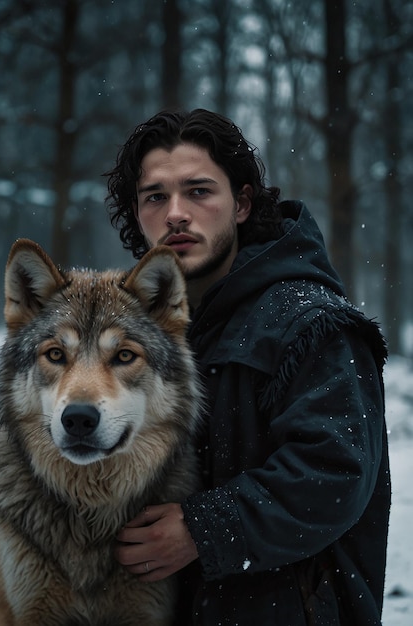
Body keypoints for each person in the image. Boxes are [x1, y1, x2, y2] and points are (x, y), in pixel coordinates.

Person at [105, 108, 390, 625]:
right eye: (155, 197)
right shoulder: (138, 333)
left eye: (198, 191)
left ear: (240, 203)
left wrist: (203, 530)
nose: (175, 213)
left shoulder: (310, 322)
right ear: (136, 212)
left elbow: (335, 472)